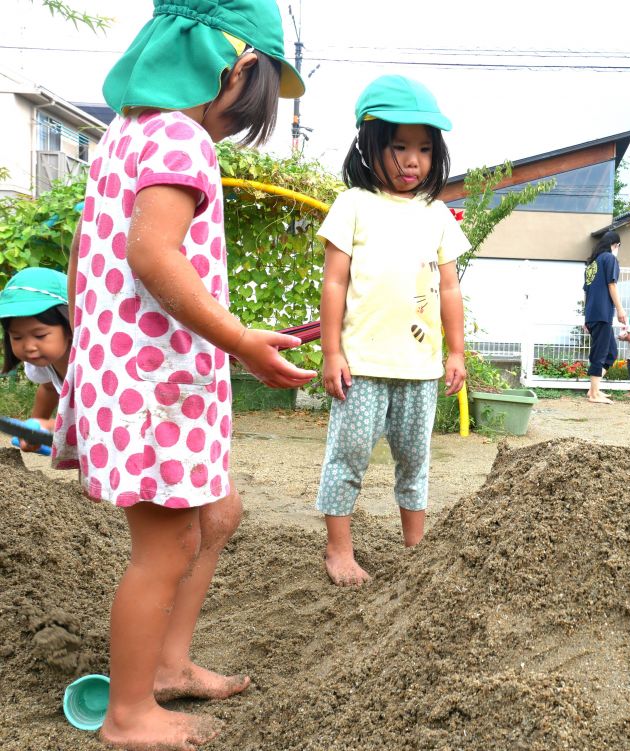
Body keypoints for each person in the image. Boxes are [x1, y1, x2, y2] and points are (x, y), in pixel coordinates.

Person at [48, 2, 315, 748]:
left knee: (215, 515)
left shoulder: (122, 138)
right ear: (236, 71)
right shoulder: (182, 140)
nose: (237, 126)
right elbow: (153, 255)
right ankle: (129, 712)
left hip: (144, 379)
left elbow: (86, 261)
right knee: (162, 549)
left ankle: (167, 666)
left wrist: (91, 361)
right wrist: (240, 341)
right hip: (153, 386)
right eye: (250, 108)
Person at [315, 74, 468, 587]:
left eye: (424, 149)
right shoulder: (353, 205)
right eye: (399, 147)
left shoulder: (438, 215)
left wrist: (456, 353)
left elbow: (449, 290)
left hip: (419, 369)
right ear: (369, 145)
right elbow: (334, 282)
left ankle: (415, 547)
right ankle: (339, 551)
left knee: (415, 460)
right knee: (349, 456)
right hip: (361, 365)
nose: (412, 161)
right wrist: (331, 351)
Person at [0, 268, 72, 452]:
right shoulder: (45, 360)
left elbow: (103, 423)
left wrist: (50, 426)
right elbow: (48, 388)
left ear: (70, 322)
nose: (29, 346)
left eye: (39, 335)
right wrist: (32, 430)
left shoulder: (94, 367)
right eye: (17, 337)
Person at [583, 230, 627, 404]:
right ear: (615, 244)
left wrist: (586, 317)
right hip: (602, 313)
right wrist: (620, 310)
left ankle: (593, 389)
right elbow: (612, 285)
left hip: (593, 313)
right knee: (600, 353)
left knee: (611, 352)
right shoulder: (609, 259)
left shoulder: (592, 264)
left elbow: (586, 292)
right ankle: (594, 394)